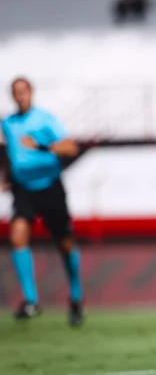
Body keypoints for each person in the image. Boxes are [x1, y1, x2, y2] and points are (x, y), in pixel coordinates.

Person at [1, 78, 84, 326]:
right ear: (12, 96)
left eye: (24, 91)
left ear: (31, 93)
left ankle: (76, 296)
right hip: (23, 190)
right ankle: (31, 301)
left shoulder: (45, 120)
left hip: (50, 187)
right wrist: (6, 178)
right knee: (17, 236)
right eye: (16, 92)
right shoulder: (8, 123)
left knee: (65, 244)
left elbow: (71, 148)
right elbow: (10, 155)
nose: (21, 96)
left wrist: (41, 146)